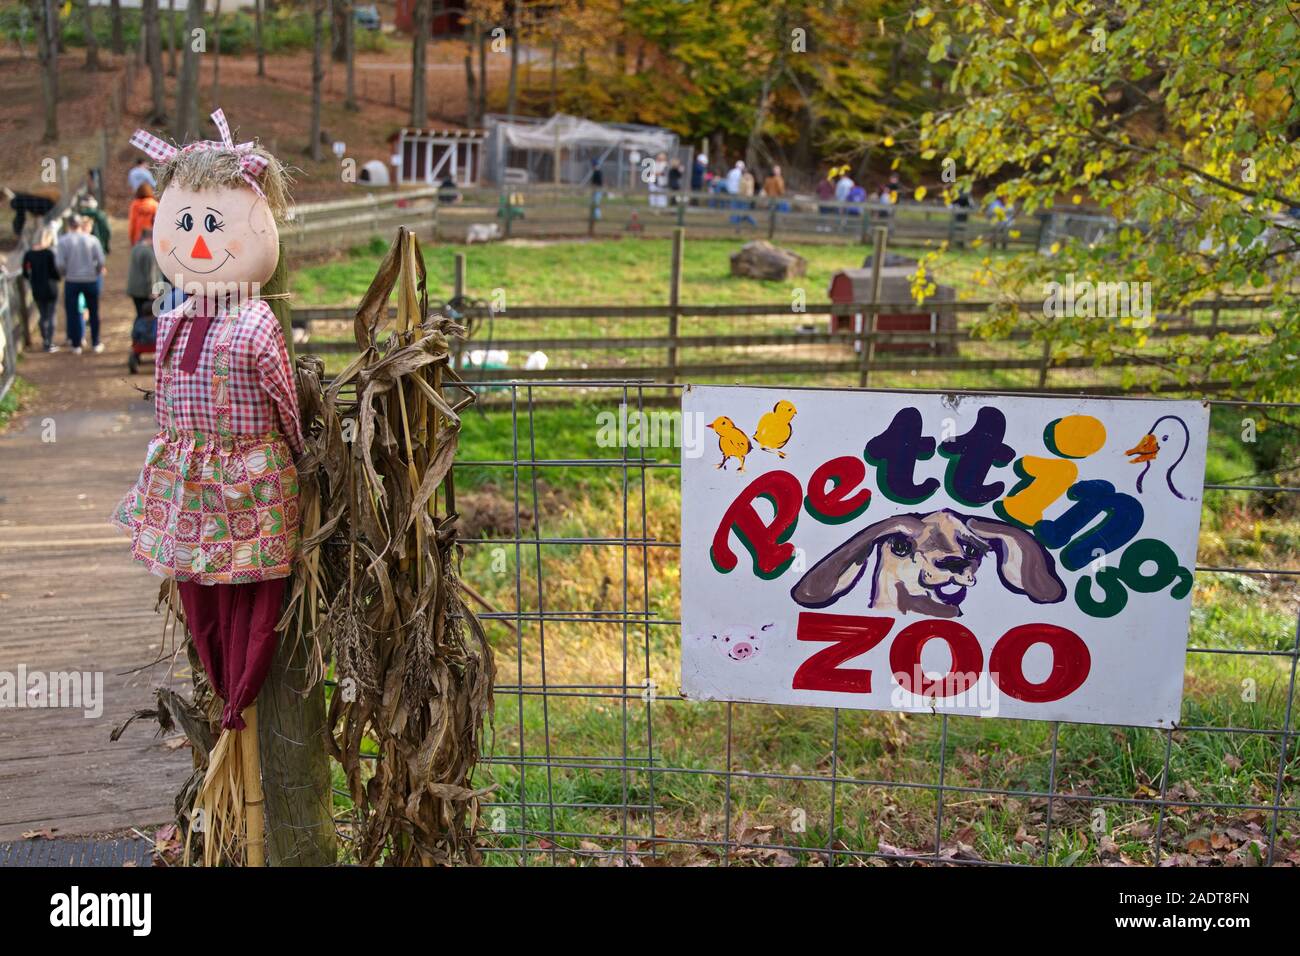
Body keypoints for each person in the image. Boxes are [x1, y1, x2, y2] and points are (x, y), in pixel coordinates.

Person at [55, 214, 106, 354]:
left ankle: (76, 344)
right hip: (90, 280)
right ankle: (96, 342)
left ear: (69, 225)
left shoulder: (63, 241)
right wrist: (95, 272)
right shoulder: (92, 240)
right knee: (93, 311)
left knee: (72, 312)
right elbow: (101, 260)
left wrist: (66, 273)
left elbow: (59, 263)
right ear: (80, 225)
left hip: (72, 280)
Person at [21, 226, 61, 352]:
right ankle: (49, 341)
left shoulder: (29, 255)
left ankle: (45, 340)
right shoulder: (49, 254)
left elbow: (25, 272)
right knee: (51, 314)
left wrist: (32, 279)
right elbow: (55, 271)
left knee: (42, 314)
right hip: (50, 287)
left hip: (37, 288)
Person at [127, 227, 158, 319]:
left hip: (133, 288)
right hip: (143, 291)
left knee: (139, 313)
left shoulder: (135, 248)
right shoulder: (148, 253)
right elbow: (150, 274)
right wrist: (152, 291)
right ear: (149, 238)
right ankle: (141, 331)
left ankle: (137, 330)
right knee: (145, 316)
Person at [128, 182, 158, 246]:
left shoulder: (135, 205)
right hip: (151, 237)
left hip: (138, 238)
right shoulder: (154, 204)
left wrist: (131, 239)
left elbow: (132, 223)